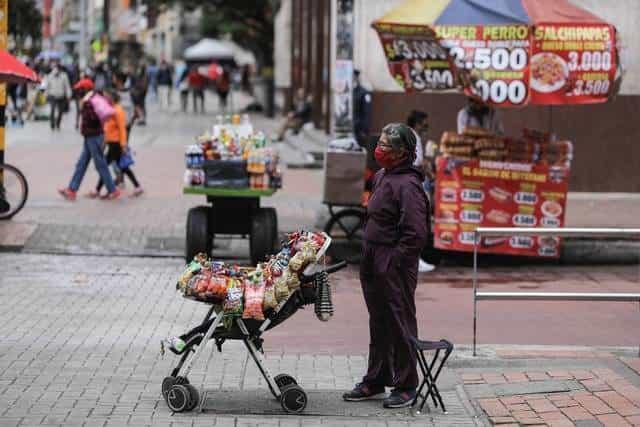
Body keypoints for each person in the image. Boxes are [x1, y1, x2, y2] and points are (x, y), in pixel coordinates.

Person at [343, 123, 428, 409]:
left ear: (402, 153)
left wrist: (394, 261)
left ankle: (406, 385)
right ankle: (376, 378)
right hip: (372, 257)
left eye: (386, 146)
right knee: (378, 321)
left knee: (399, 321)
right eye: (378, 142)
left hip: (393, 263)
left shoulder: (409, 186)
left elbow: (416, 233)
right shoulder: (381, 176)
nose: (379, 149)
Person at [58, 79, 121, 201]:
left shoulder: (89, 102)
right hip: (90, 137)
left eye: (80, 89)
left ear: (85, 89)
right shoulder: (91, 99)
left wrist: (84, 112)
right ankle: (72, 189)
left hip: (94, 137)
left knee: (100, 164)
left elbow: (93, 119)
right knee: (81, 164)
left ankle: (113, 190)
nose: (78, 91)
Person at [89, 90, 143, 198]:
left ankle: (99, 190)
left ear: (112, 98)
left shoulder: (118, 111)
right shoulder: (111, 110)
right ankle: (137, 186)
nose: (105, 99)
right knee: (123, 167)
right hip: (112, 143)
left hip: (116, 144)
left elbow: (122, 129)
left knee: (105, 166)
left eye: (107, 97)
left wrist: (123, 145)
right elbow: (108, 128)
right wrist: (104, 141)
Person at [406, 110, 436, 273]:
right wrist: (426, 169)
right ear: (417, 122)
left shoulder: (413, 136)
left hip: (412, 185)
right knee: (415, 225)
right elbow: (415, 164)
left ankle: (414, 259)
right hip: (413, 186)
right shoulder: (413, 137)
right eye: (424, 122)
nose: (426, 125)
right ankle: (414, 261)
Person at [45, 62, 71, 130]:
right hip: (52, 95)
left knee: (60, 111)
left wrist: (68, 95)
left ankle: (58, 123)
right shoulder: (49, 76)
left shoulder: (64, 76)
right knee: (52, 110)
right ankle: (52, 124)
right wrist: (46, 95)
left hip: (61, 96)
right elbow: (47, 86)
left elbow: (67, 86)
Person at [353, 69, 372, 147]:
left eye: (354, 77)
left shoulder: (364, 93)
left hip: (359, 128)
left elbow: (366, 112)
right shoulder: (348, 92)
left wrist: (364, 129)